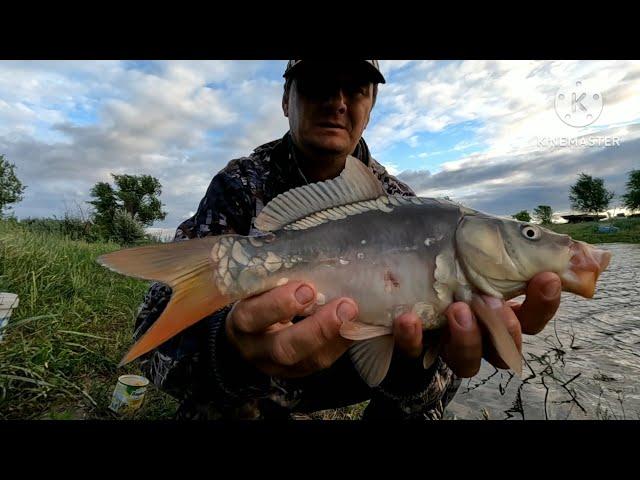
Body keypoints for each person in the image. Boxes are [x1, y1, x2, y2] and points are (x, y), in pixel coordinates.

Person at [133, 60, 562, 420]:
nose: (337, 102)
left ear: (370, 105)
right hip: (259, 388)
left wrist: (412, 369)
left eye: (355, 89)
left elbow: (435, 390)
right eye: (319, 84)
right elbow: (153, 352)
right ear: (286, 99)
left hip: (357, 375)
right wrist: (229, 348)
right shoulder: (240, 184)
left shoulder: (406, 207)